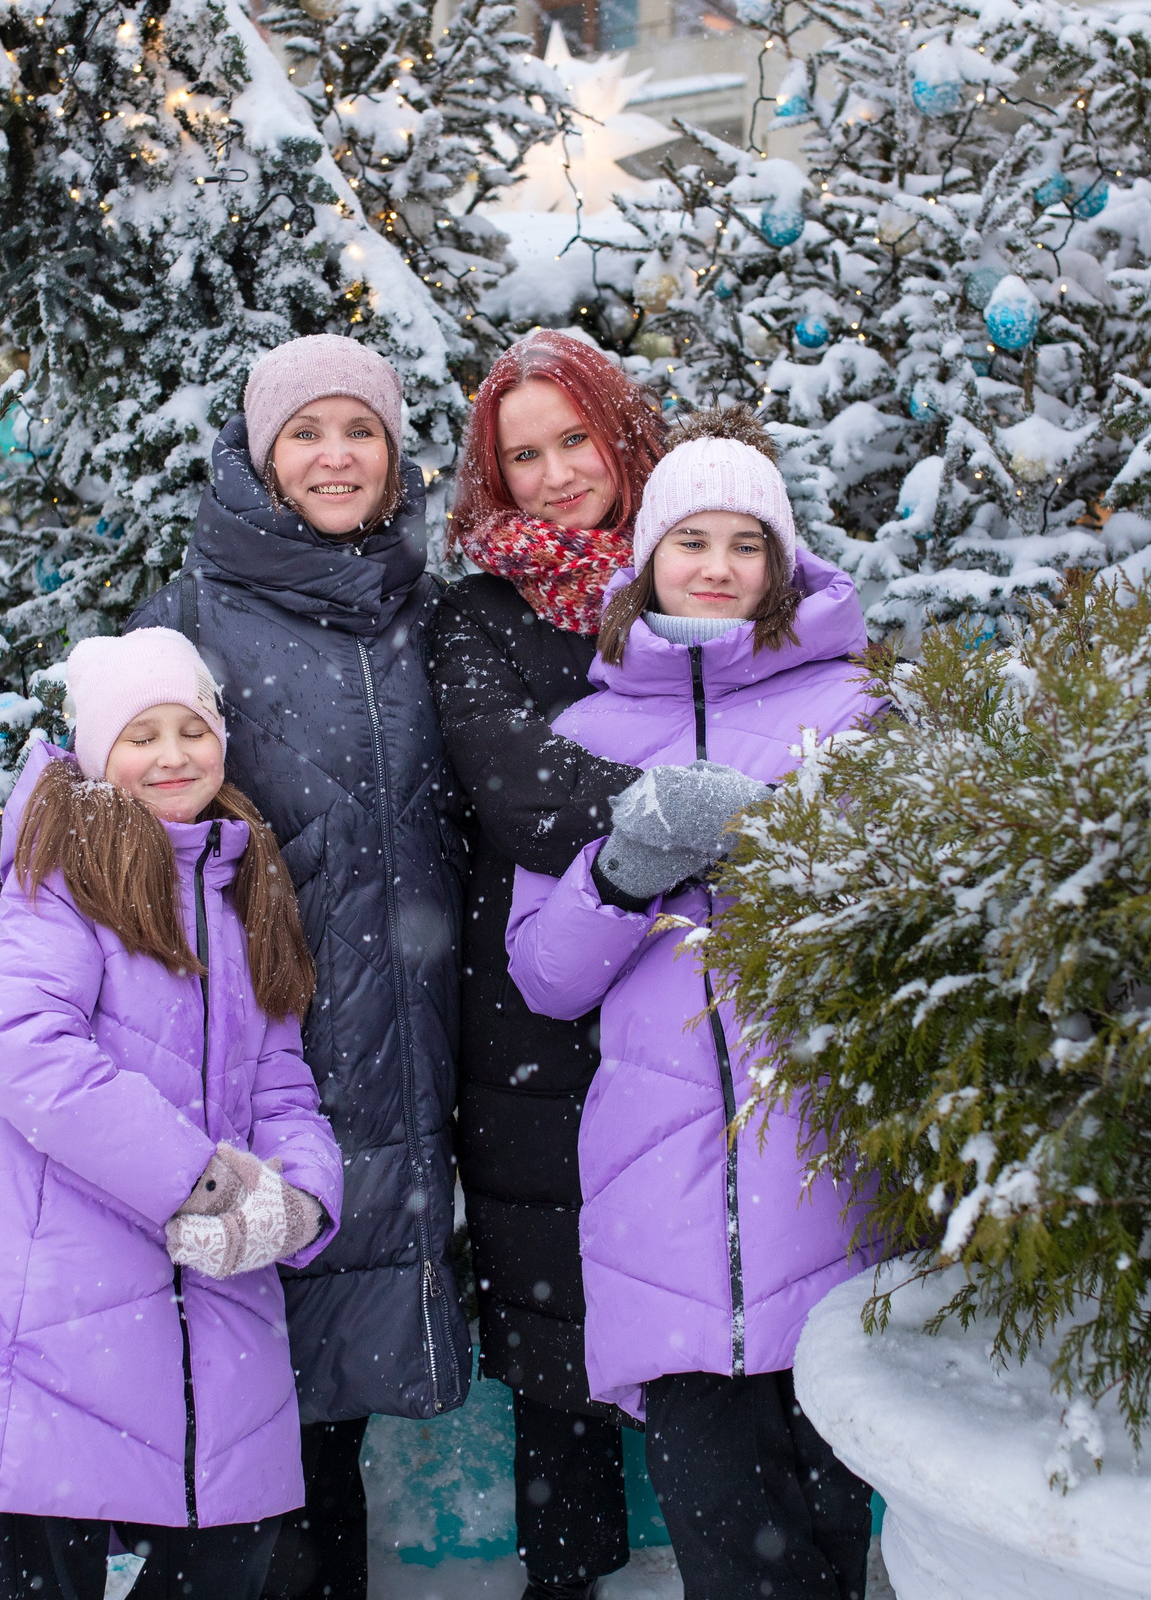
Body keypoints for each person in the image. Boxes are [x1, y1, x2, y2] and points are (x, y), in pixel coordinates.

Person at [0, 627, 343, 1600]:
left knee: (231, 1551)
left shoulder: (243, 877)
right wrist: (198, 1181)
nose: (172, 756)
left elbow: (284, 1080)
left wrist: (297, 1205)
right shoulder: (60, 872)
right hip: (44, 1303)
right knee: (35, 1556)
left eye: (190, 730)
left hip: (209, 1304)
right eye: (140, 735)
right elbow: (32, 1052)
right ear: (93, 752)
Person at [505, 420, 888, 1600]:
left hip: (826, 1186)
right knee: (731, 1557)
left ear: (782, 567)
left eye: (744, 544)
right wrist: (624, 867)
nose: (716, 567)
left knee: (830, 1548)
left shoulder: (858, 710)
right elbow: (544, 976)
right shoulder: (584, 735)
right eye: (689, 541)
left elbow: (900, 926)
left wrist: (784, 850)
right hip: (659, 1207)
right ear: (647, 560)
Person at [131, 335, 467, 1600]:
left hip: (411, 1049)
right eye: (307, 431)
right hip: (264, 1055)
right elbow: (127, 822)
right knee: (254, 1395)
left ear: (394, 455)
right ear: (262, 455)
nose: (336, 455)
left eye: (361, 431)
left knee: (339, 1392)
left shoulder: (427, 612)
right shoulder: (197, 615)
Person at [430, 331, 669, 1599]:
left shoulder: (709, 569)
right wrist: (695, 801)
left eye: (573, 438)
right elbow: (515, 792)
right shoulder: (476, 616)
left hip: (689, 994)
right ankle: (568, 1575)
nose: (557, 474)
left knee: (706, 1309)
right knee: (553, 1328)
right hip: (527, 1014)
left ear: (620, 431)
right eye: (524, 455)